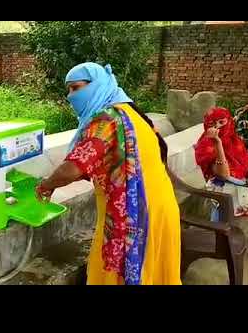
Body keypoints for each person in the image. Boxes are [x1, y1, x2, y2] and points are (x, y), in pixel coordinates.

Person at [34, 62, 181, 285]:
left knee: (113, 274)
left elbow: (75, 166)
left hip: (135, 215)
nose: (70, 96)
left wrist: (46, 184)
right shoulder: (132, 113)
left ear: (98, 85)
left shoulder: (107, 120)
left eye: (76, 88)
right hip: (161, 208)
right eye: (69, 90)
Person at [195, 107, 248, 217]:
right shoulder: (206, 145)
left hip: (243, 185)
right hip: (223, 190)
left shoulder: (234, 139)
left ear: (229, 121)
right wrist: (217, 143)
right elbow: (223, 175)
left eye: (221, 122)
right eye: (212, 124)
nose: (217, 126)